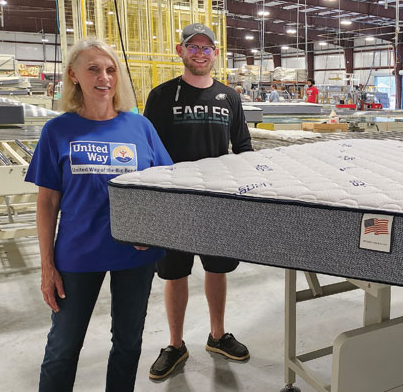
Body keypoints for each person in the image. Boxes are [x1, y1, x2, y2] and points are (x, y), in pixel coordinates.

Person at [28, 39, 172, 392]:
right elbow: (47, 203)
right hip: (77, 255)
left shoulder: (140, 128)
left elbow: (167, 188)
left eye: (110, 70)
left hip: (135, 255)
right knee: (63, 347)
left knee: (128, 342)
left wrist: (153, 232)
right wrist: (47, 266)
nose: (103, 77)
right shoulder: (58, 130)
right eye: (93, 68)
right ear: (74, 76)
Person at [144, 23, 253, 380]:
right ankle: (175, 344)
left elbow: (244, 149)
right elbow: (148, 152)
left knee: (217, 269)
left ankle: (217, 335)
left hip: (217, 201)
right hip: (175, 202)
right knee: (174, 273)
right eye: (194, 47)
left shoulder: (230, 97)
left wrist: (242, 190)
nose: (201, 53)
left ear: (216, 54)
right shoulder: (161, 97)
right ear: (181, 51)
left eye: (207, 48)